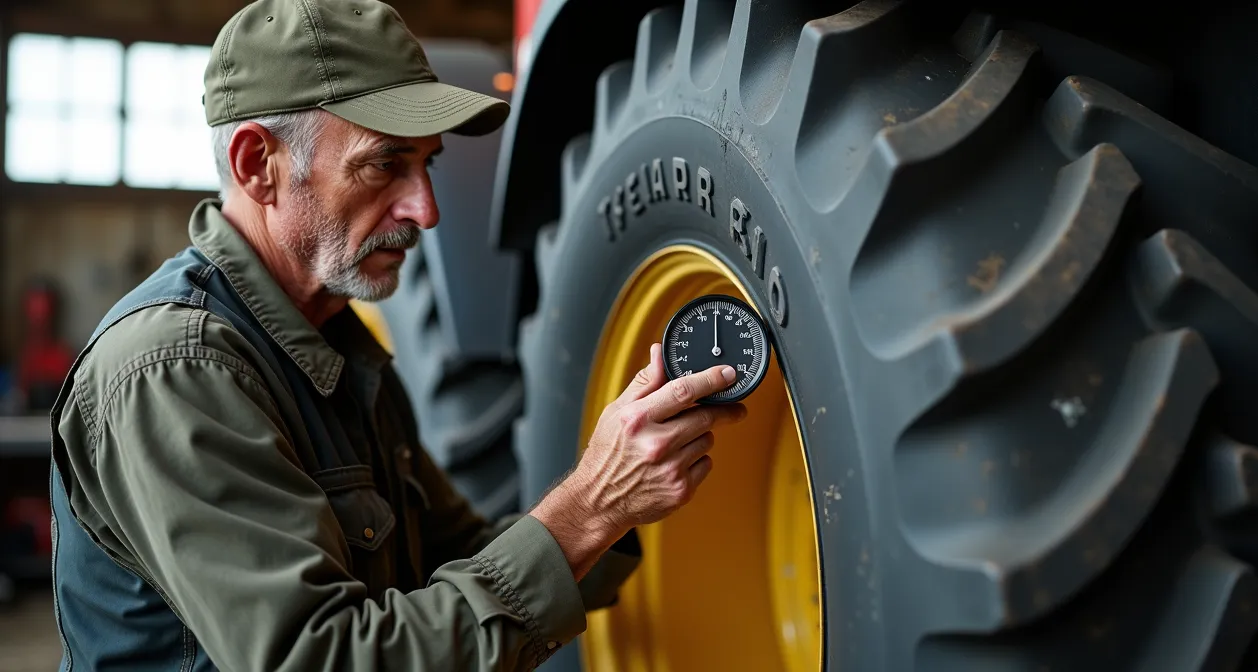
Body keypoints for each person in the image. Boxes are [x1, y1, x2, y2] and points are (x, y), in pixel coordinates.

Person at [46, 0, 747, 669]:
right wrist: (590, 503)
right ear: (259, 165)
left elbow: (458, 559)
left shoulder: (336, 347)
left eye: (426, 164)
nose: (428, 210)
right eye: (385, 164)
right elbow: (327, 659)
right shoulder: (174, 373)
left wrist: (625, 487)